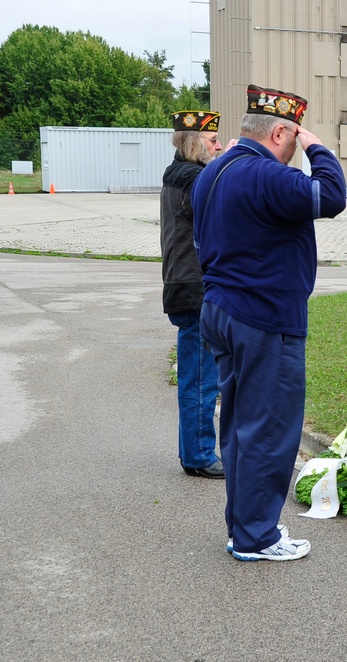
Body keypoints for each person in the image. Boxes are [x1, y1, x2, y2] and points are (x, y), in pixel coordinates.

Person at [192, 84, 347, 562]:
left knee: (240, 426)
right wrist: (317, 147)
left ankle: (245, 527)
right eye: (292, 138)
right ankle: (257, 537)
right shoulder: (264, 173)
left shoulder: (214, 171)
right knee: (270, 428)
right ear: (279, 131)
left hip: (222, 309)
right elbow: (332, 195)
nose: (293, 151)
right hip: (263, 317)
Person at [159, 110, 226, 479]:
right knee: (201, 379)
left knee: (197, 376)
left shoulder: (181, 173)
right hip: (194, 289)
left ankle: (194, 453)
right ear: (194, 142)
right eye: (213, 140)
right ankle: (200, 455)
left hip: (184, 285)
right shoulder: (192, 178)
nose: (218, 145)